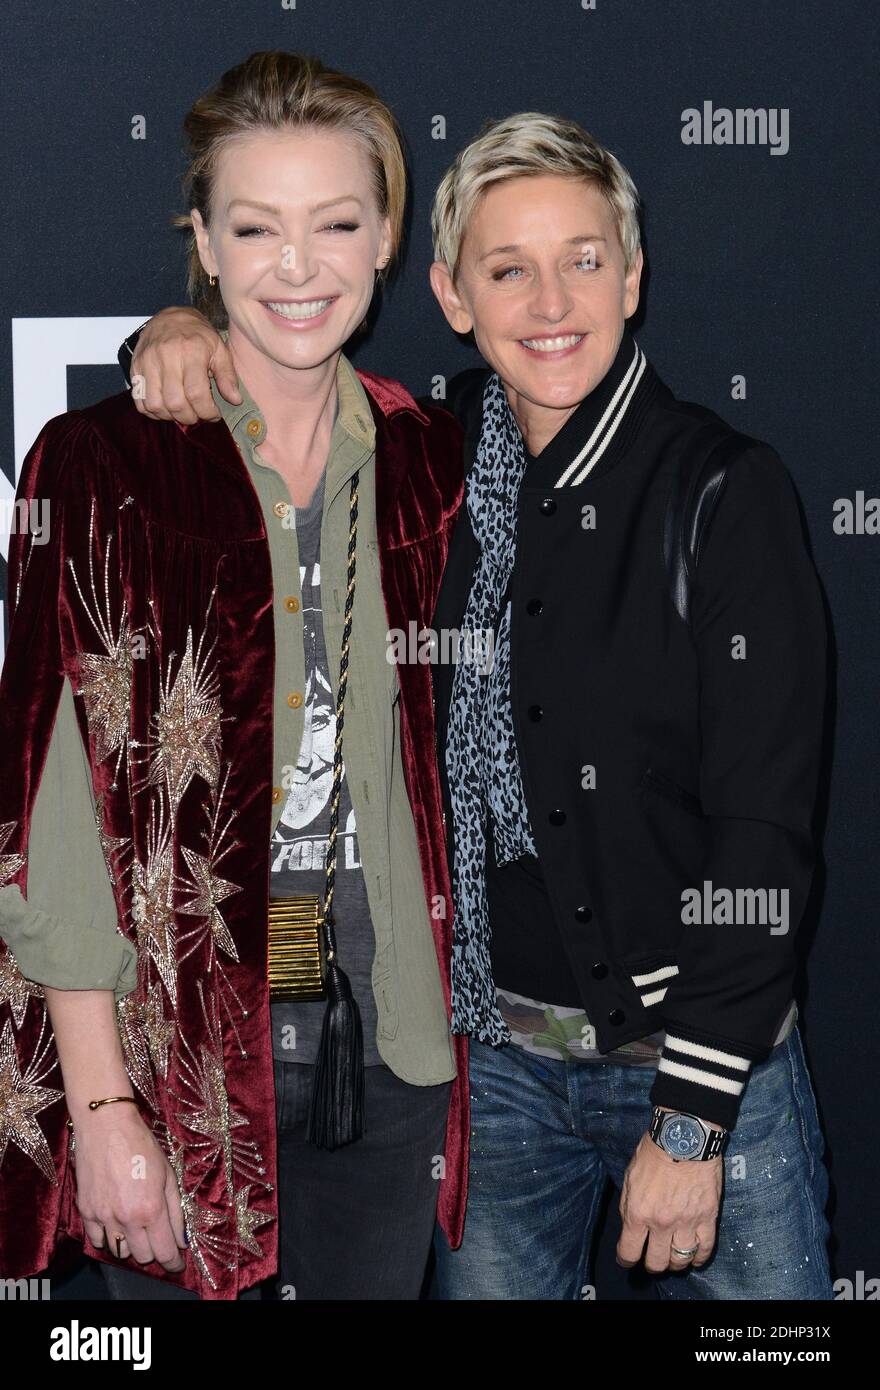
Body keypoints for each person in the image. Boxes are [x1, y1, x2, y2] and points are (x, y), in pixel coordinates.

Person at [129, 109, 833, 1302]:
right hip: (489, 1069)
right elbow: (286, 372)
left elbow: (764, 833)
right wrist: (179, 325)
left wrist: (695, 1118)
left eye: (583, 259)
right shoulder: (432, 455)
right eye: (510, 269)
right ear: (454, 293)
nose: (550, 300)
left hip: (702, 1067)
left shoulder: (722, 490)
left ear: (634, 274)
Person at [0, 50, 468, 1301]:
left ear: (384, 246)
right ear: (202, 242)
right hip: (174, 1056)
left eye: (336, 224)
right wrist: (99, 1103)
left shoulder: (438, 464)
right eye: (256, 228)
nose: (298, 266)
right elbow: (50, 808)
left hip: (397, 1055)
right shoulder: (104, 468)